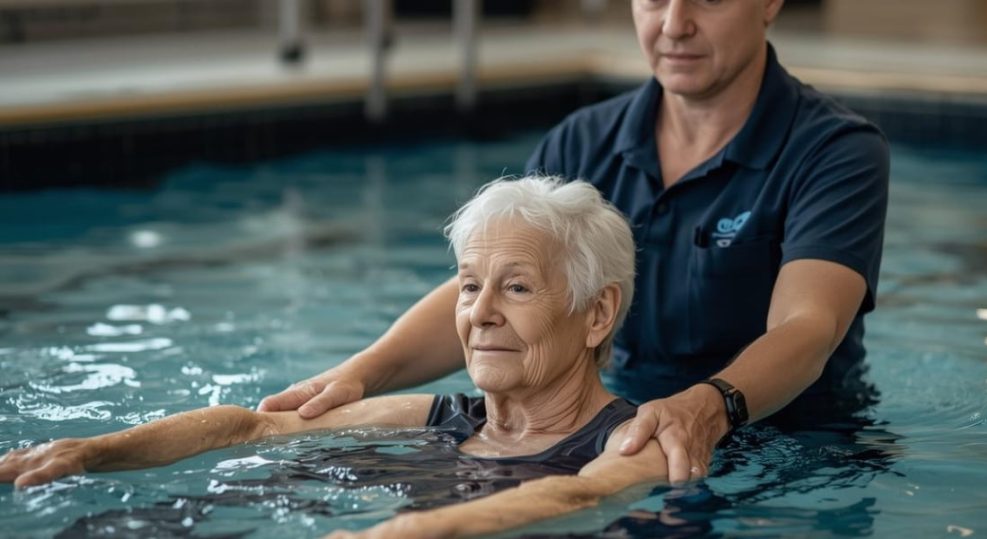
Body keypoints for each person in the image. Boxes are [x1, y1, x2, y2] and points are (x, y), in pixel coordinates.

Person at [260, 0, 889, 484]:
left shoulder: (834, 152)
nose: (674, 24)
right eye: (653, 0)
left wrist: (709, 408)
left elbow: (808, 327)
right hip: (606, 429)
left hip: (792, 448)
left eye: (708, 0)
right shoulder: (583, 142)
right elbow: (492, 289)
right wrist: (357, 375)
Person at [1, 177, 672, 538]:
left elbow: (577, 493)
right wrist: (92, 452)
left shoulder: (634, 441)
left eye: (516, 287)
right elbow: (252, 427)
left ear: (598, 314)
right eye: (469, 285)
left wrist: (409, 533)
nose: (480, 311)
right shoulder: (438, 417)